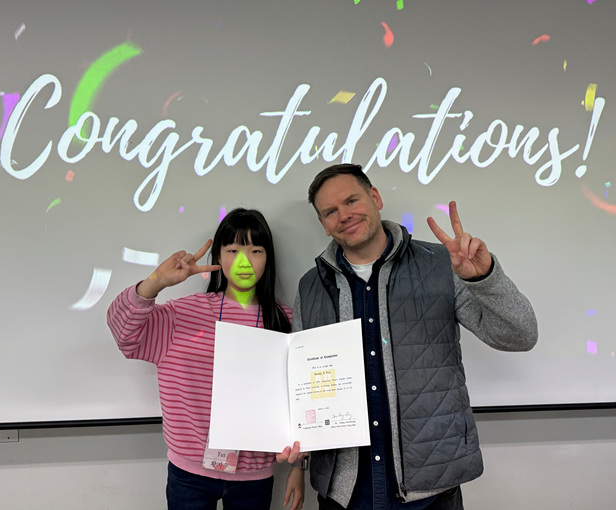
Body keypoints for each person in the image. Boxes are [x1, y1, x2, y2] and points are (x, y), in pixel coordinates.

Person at [290, 164, 538, 510]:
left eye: (351, 201)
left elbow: (520, 336)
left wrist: (484, 279)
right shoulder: (310, 286)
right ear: (323, 224)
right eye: (331, 211)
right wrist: (297, 456)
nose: (344, 215)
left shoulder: (441, 264)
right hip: (343, 492)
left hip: (430, 489)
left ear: (375, 197)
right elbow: (302, 386)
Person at [107, 208, 305, 510]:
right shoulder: (182, 314)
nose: (244, 261)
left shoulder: (286, 321)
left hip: (255, 477)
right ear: (218, 257)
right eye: (233, 250)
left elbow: (301, 401)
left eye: (256, 251)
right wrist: (156, 281)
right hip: (189, 474)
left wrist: (299, 467)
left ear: (269, 258)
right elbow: (125, 335)